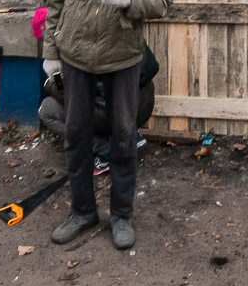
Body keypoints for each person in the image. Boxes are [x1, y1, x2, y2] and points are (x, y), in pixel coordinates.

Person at [42, 0, 172, 251]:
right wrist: (51, 51)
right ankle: (82, 212)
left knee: (123, 137)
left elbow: (163, 1)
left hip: (122, 58)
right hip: (76, 57)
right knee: (77, 135)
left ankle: (120, 215)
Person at [35, 18, 157, 174]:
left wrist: (49, 83)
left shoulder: (75, 48)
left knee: (47, 109)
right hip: (144, 106)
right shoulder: (119, 25)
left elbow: (65, 95)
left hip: (114, 113)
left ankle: (105, 152)